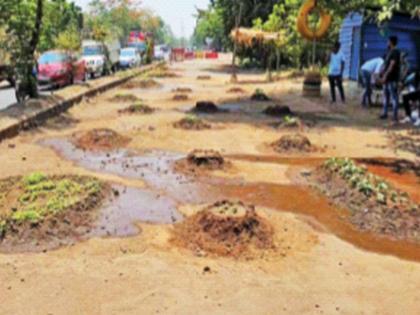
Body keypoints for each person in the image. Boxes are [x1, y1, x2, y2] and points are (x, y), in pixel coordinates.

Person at [380, 36, 401, 121]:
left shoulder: (395, 52)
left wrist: (385, 75)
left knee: (394, 97)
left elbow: (392, 65)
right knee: (386, 96)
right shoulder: (390, 52)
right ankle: (385, 113)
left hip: (392, 78)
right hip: (387, 78)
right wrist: (382, 73)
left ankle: (395, 116)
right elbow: (386, 64)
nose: (387, 43)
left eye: (388, 41)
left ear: (391, 42)